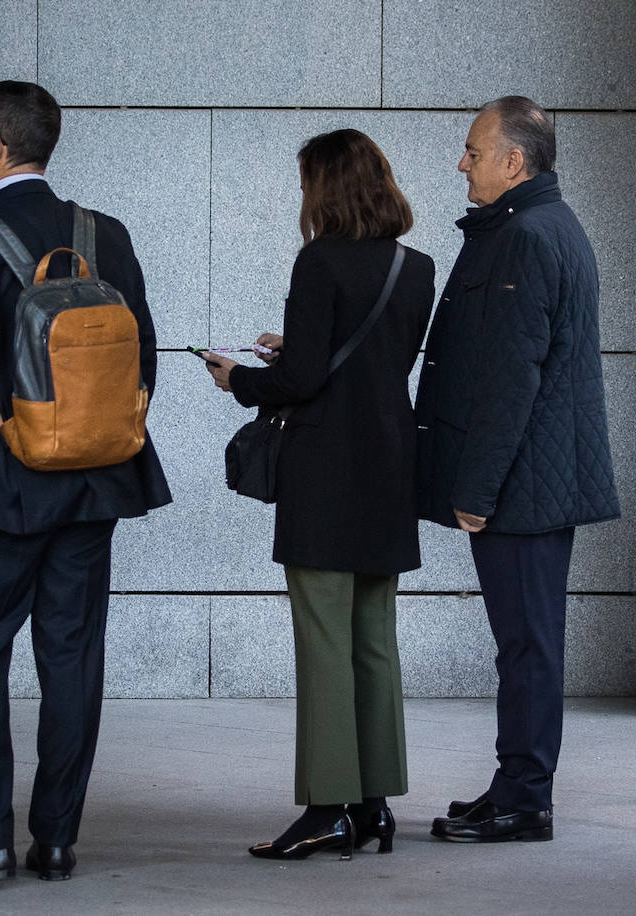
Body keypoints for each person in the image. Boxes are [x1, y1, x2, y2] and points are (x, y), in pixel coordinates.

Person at [0, 80, 171, 884]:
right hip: (95, 485)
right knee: (72, 657)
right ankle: (56, 840)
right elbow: (143, 358)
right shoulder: (107, 234)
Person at [205, 129, 434, 860]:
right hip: (391, 465)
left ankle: (326, 809)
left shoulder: (319, 262)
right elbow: (371, 363)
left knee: (325, 641)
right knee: (373, 640)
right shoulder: (416, 266)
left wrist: (236, 378)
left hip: (327, 471)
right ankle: (374, 806)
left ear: (324, 189)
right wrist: (296, 346)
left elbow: (301, 382)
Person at [415, 96, 620, 843]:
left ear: (514, 161)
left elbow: (512, 378)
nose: (460, 163)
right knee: (525, 642)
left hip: (522, 488)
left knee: (529, 644)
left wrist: (476, 490)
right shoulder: (527, 228)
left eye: (473, 151)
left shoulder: (531, 236)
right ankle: (514, 784)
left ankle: (526, 800)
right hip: (528, 480)